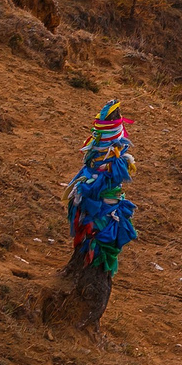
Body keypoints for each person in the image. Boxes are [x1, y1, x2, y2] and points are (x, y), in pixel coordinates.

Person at [44, 101, 137, 333]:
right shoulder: (104, 163)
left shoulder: (109, 163)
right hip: (99, 209)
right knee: (96, 238)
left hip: (102, 208)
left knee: (98, 239)